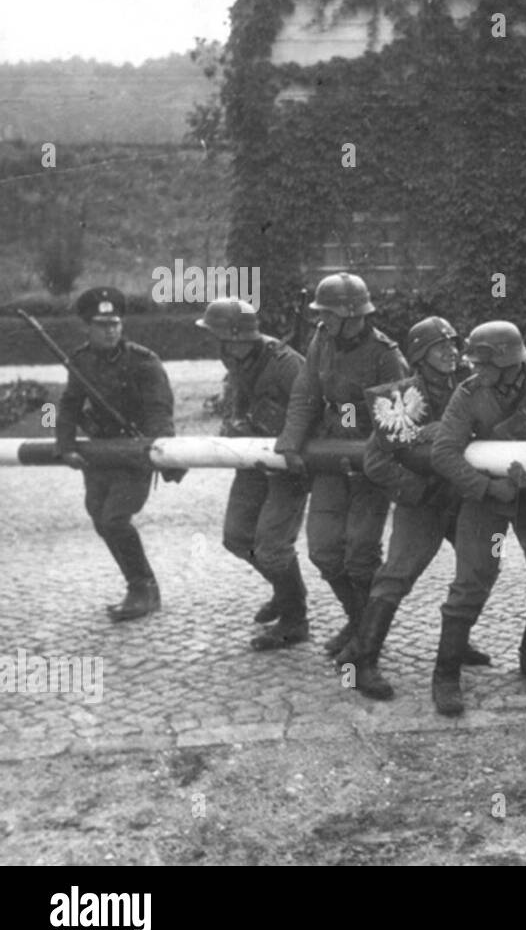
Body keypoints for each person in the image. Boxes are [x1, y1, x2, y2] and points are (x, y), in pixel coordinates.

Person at [428, 320, 526, 715]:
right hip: (486, 498)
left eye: (484, 364)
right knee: (473, 578)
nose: (476, 371)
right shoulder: (469, 393)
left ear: (511, 362)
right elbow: (444, 453)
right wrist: (490, 488)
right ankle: (446, 673)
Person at [332, 316, 472, 699]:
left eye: (452, 344)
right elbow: (376, 462)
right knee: (396, 576)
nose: (450, 352)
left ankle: (458, 644)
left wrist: (448, 429)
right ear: (419, 356)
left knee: (477, 571)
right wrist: (419, 491)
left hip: (463, 498)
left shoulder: (471, 385)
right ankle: (362, 662)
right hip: (425, 501)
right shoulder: (401, 397)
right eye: (438, 347)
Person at [274, 273, 408, 653]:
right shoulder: (322, 340)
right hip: (331, 456)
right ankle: (358, 621)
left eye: (330, 313)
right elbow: (305, 393)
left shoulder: (387, 356)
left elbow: (399, 423)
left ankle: (367, 639)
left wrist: (376, 457)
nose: (323, 320)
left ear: (353, 314)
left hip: (371, 461)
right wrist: (291, 443)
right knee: (323, 550)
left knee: (361, 553)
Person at [56, 286, 181, 622]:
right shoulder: (80, 361)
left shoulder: (144, 361)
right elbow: (67, 406)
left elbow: (160, 411)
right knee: (98, 515)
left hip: (134, 454)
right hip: (100, 454)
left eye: (115, 322)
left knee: (114, 518)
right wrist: (65, 445)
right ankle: (138, 584)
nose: (110, 329)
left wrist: (164, 454)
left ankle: (144, 588)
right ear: (88, 326)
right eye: (101, 324)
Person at [195, 298, 309, 650]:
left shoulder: (286, 365)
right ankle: (285, 589)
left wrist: (288, 438)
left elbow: (312, 408)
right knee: (237, 537)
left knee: (272, 547)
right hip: (253, 459)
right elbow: (239, 398)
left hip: (289, 464)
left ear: (233, 336)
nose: (214, 343)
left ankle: (294, 619)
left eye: (217, 335)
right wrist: (235, 423)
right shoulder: (234, 358)